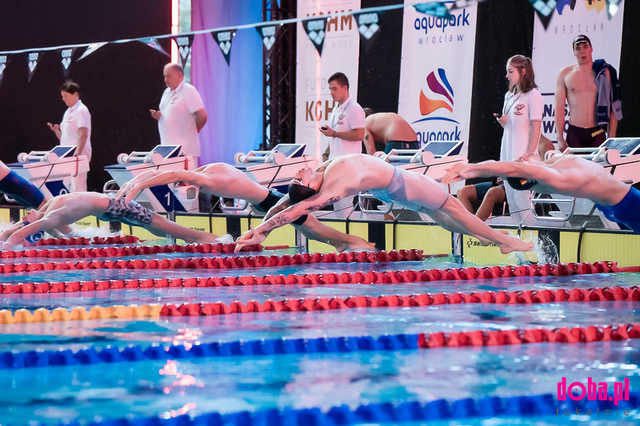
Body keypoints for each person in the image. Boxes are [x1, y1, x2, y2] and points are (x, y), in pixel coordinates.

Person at [234, 154, 534, 254]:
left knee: (450, 220)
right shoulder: (334, 187)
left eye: (296, 178)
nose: (298, 174)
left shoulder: (323, 171)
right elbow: (296, 209)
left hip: (398, 193)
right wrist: (263, 232)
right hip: (408, 187)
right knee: (453, 212)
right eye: (300, 180)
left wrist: (259, 228)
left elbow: (285, 204)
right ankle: (504, 241)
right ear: (312, 189)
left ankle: (496, 240)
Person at [115, 162, 374, 252]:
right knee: (312, 229)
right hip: (265, 199)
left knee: (314, 230)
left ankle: (352, 241)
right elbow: (170, 173)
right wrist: (139, 179)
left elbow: (171, 174)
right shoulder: (206, 171)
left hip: (269, 201)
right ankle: (345, 242)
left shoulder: (208, 178)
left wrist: (138, 185)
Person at [441, 151, 639, 233]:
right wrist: (469, 168)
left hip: (610, 205)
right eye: (523, 163)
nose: (523, 157)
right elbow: (502, 167)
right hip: (628, 202)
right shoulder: (552, 173)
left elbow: (520, 166)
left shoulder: (551, 165)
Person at [0, 191, 231, 249]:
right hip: (110, 207)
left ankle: (216, 239)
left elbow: (21, 235)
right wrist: (16, 230)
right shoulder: (50, 208)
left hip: (116, 206)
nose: (26, 218)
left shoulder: (53, 214)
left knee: (167, 229)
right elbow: (64, 234)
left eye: (26, 218)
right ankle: (210, 239)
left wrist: (7, 246)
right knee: (163, 231)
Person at [494, 55, 542, 222]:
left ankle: (535, 238)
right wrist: (503, 122)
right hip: (507, 153)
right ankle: (519, 240)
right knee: (512, 199)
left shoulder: (533, 95)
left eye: (510, 72)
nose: (507, 76)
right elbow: (509, 125)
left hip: (522, 156)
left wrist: (529, 153)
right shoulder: (509, 95)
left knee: (522, 199)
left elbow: (536, 126)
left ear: (523, 72)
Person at [555, 34, 622, 151]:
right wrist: (560, 138)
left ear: (591, 49)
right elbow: (559, 108)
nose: (582, 51)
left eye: (585, 46)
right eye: (578, 48)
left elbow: (614, 107)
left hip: (597, 132)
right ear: (574, 52)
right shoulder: (565, 74)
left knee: (598, 169)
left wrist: (611, 139)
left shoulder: (604, 72)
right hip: (575, 132)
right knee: (573, 169)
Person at [318, 72, 366, 216]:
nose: (331, 93)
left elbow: (359, 134)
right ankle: (342, 234)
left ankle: (347, 235)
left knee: (343, 207)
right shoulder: (337, 109)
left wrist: (335, 133)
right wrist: (327, 155)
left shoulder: (354, 108)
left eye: (334, 89)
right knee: (338, 207)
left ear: (345, 88)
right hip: (336, 163)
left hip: (348, 165)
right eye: (330, 89)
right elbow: (336, 137)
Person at [150, 63, 207, 169]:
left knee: (185, 184)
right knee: (171, 184)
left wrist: (193, 131)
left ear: (180, 75)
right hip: (167, 150)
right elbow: (169, 113)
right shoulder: (166, 92)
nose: (165, 79)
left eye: (169, 76)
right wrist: (159, 116)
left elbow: (202, 116)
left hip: (184, 151)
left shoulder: (188, 90)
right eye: (164, 76)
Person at [47, 81, 91, 192]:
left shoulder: (82, 110)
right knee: (67, 186)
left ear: (75, 94)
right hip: (66, 154)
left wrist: (78, 153)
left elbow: (83, 134)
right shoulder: (67, 112)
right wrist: (56, 131)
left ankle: (83, 209)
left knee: (78, 186)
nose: (63, 99)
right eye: (62, 96)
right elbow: (65, 139)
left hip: (77, 154)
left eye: (66, 96)